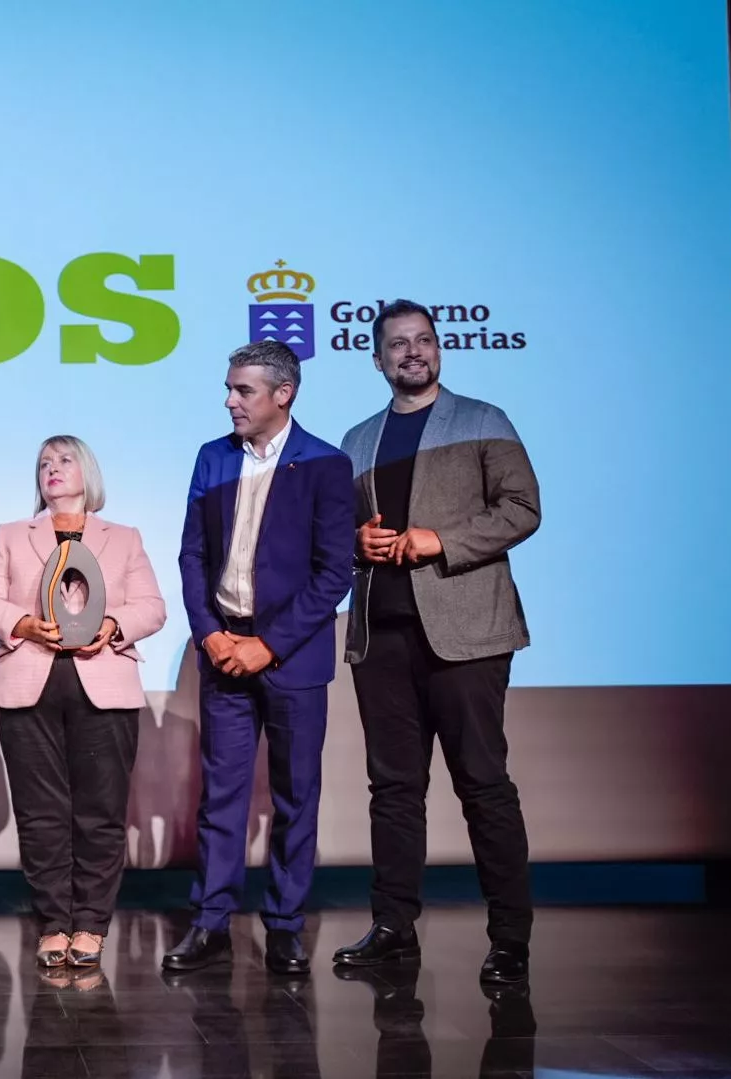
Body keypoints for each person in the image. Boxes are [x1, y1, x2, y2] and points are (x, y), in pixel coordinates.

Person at [332, 299, 541, 986]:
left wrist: (440, 541)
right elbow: (333, 536)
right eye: (398, 344)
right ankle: (394, 925)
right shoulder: (356, 439)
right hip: (381, 634)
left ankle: (509, 936)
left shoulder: (483, 419)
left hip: (467, 632)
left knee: (483, 784)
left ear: (439, 349)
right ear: (377, 358)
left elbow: (522, 508)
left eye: (423, 340)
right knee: (392, 788)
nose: (412, 352)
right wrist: (353, 543)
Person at [163, 340, 354, 975]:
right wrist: (212, 634)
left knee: (296, 795)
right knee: (221, 794)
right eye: (229, 389)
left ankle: (284, 926)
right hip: (222, 651)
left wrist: (267, 644)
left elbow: (334, 574)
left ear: (283, 393)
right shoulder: (212, 458)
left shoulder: (326, 465)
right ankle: (211, 921)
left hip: (290, 655)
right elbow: (193, 556)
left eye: (242, 391)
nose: (229, 401)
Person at [0, 435, 166, 968]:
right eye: (44, 464)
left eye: (64, 460)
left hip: (104, 682)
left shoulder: (123, 537)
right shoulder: (13, 535)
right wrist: (22, 624)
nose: (52, 469)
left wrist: (114, 624)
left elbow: (153, 607)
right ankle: (53, 922)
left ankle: (91, 924)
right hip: (29, 681)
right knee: (40, 812)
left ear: (88, 472)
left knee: (100, 812)